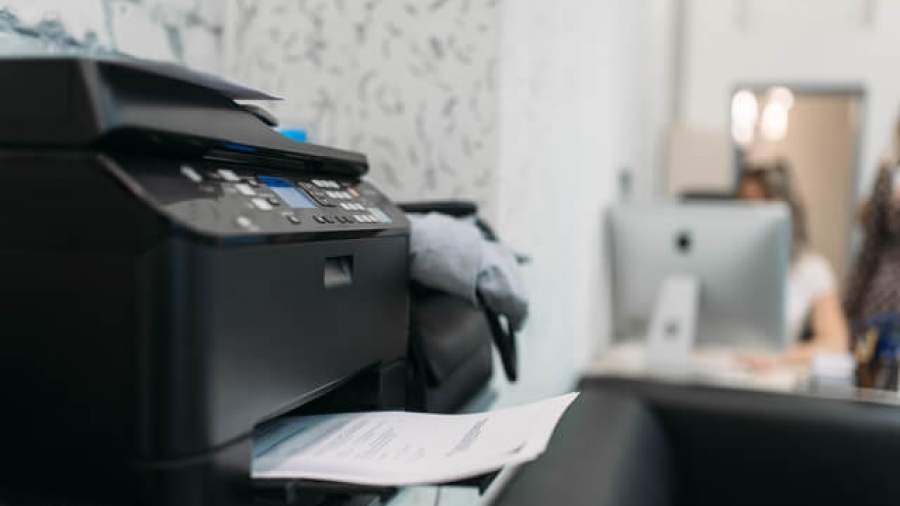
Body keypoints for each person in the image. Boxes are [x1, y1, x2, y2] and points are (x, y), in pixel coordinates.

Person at [736, 160, 850, 367]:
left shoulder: (810, 268)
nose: (750, 210)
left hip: (770, 376)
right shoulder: (724, 262)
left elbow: (836, 343)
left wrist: (781, 358)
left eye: (761, 200)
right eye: (743, 201)